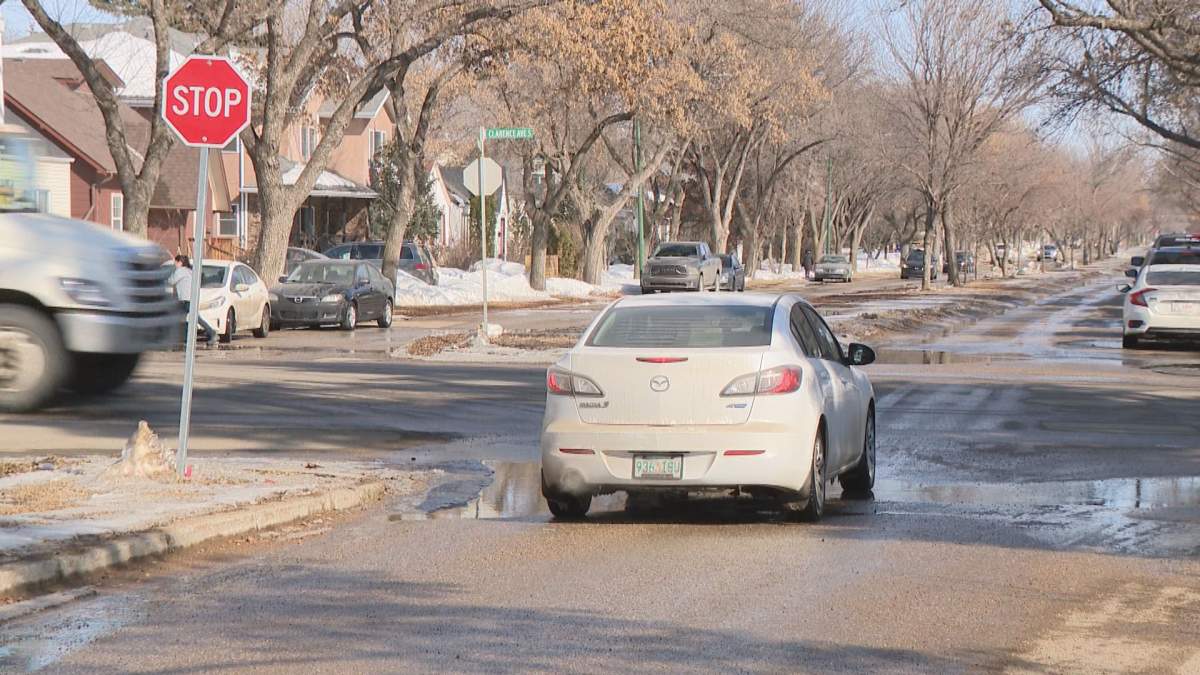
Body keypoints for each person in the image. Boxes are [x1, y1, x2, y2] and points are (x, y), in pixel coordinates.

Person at [170, 255, 217, 345]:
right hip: (191, 298)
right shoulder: (190, 271)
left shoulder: (180, 271)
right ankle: (187, 338)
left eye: (175, 262)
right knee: (189, 318)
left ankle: (211, 333)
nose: (175, 264)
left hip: (185, 299)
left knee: (183, 318)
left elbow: (171, 281)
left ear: (180, 262)